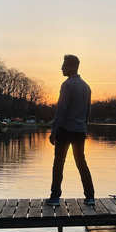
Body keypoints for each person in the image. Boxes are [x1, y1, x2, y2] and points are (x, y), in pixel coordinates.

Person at [47, 55, 95, 205]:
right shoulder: (86, 86)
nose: (62, 68)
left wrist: (54, 129)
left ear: (72, 67)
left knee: (59, 163)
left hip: (65, 129)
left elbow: (61, 109)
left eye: (64, 65)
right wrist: (84, 127)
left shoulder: (67, 85)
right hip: (80, 130)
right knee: (81, 162)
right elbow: (88, 111)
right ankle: (90, 196)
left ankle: (55, 197)